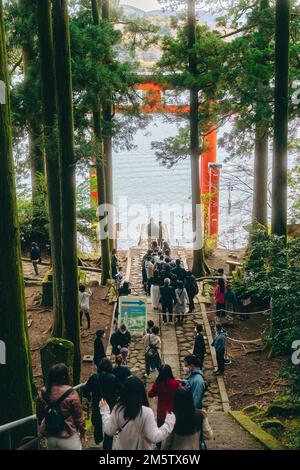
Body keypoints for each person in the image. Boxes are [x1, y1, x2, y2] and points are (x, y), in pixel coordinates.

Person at [100, 376, 175, 450]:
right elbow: (155, 437)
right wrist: (169, 422)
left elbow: (109, 431)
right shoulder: (146, 412)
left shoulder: (118, 409)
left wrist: (105, 412)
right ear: (141, 392)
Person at [36, 364, 86, 450]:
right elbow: (78, 416)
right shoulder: (71, 392)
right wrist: (82, 432)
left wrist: (42, 428)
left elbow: (40, 415)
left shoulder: (43, 392)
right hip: (68, 436)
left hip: (51, 436)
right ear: (64, 376)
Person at [83, 358, 123, 448]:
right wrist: (117, 399)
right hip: (110, 406)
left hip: (97, 406)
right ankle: (107, 445)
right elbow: (122, 390)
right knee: (109, 426)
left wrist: (89, 398)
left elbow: (85, 390)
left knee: (97, 425)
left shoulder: (94, 377)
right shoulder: (113, 378)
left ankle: (98, 442)